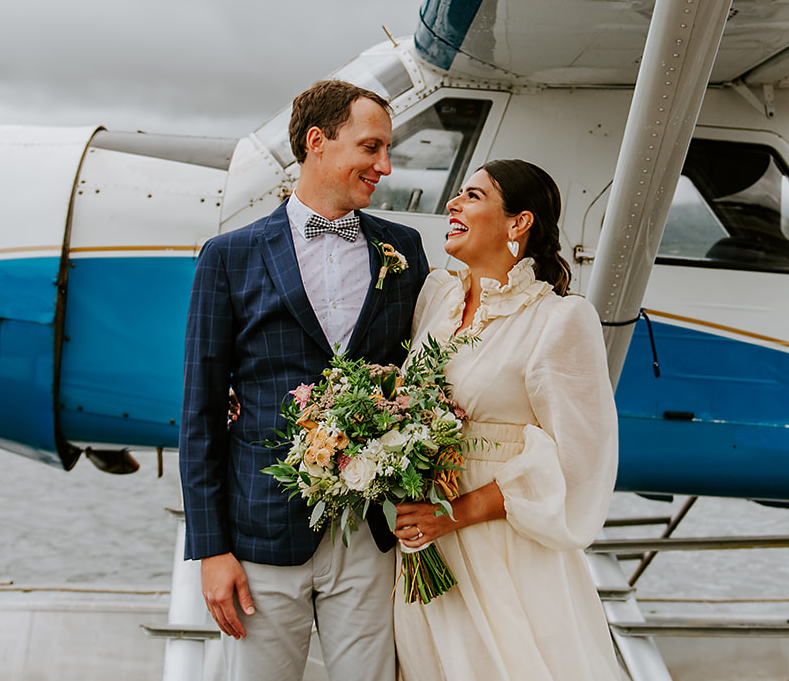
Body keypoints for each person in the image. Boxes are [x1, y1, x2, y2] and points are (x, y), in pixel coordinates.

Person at [180, 79, 429, 681]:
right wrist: (212, 550)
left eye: (387, 150)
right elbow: (201, 412)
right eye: (371, 148)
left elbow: (422, 377)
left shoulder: (405, 251)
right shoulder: (228, 256)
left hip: (370, 534)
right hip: (262, 533)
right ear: (318, 142)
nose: (385, 166)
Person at [392, 159, 622, 681]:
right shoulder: (437, 299)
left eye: (472, 196)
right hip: (425, 543)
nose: (452, 203)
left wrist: (455, 514)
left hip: (504, 548)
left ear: (519, 223)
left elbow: (580, 463)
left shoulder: (560, 319)